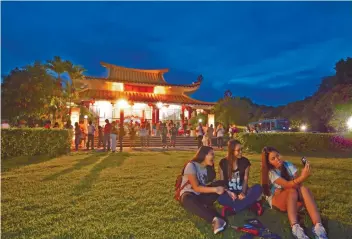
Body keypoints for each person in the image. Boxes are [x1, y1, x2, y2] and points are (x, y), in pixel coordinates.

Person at [261, 146, 328, 239]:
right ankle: (295, 228)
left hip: (292, 200)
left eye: (277, 155)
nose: (277, 159)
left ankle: (319, 227)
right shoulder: (271, 172)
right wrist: (303, 176)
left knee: (304, 189)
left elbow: (298, 184)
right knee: (292, 190)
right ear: (269, 162)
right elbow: (288, 184)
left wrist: (299, 180)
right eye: (273, 158)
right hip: (277, 202)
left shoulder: (288, 164)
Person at [179, 146, 227, 234]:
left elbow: (210, 184)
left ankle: (207, 207)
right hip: (189, 195)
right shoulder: (191, 165)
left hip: (201, 195)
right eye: (212, 154)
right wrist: (215, 189)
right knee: (187, 199)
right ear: (204, 155)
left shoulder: (207, 168)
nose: (214, 157)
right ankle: (214, 219)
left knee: (222, 183)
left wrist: (225, 190)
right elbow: (196, 187)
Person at [217, 140, 263, 216]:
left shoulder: (245, 162)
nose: (241, 152)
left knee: (258, 188)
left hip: (242, 191)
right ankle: (250, 205)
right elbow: (223, 182)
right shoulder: (223, 163)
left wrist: (243, 192)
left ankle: (234, 208)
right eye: (238, 150)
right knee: (220, 198)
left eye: (241, 149)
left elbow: (245, 180)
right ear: (231, 151)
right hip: (230, 194)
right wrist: (229, 192)